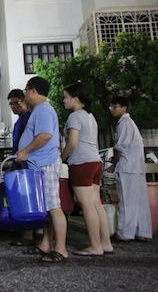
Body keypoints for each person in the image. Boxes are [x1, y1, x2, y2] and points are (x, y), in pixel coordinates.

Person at [17, 76, 68, 263]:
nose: (24, 94)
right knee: (47, 208)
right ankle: (46, 244)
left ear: (33, 91)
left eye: (25, 90)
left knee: (54, 208)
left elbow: (45, 135)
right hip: (40, 164)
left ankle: (61, 249)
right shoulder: (39, 110)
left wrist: (25, 151)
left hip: (46, 163)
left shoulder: (44, 110)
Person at [61, 83, 113, 256]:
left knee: (87, 205)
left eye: (66, 97)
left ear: (75, 99)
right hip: (95, 161)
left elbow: (73, 143)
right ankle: (106, 243)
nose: (64, 100)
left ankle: (95, 246)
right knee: (96, 204)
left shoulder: (75, 117)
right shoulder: (90, 116)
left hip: (81, 162)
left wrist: (61, 158)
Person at [108, 96, 152, 242]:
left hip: (127, 167)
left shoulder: (124, 123)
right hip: (137, 167)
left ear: (124, 107)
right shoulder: (131, 123)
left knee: (126, 201)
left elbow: (120, 147)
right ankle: (142, 231)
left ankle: (125, 232)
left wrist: (113, 163)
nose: (112, 109)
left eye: (115, 106)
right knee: (139, 201)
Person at [6, 89, 38, 247]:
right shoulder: (20, 120)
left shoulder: (28, 119)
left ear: (24, 101)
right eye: (11, 104)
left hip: (26, 163)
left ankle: (28, 234)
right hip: (18, 162)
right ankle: (29, 232)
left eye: (16, 103)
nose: (13, 107)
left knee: (27, 198)